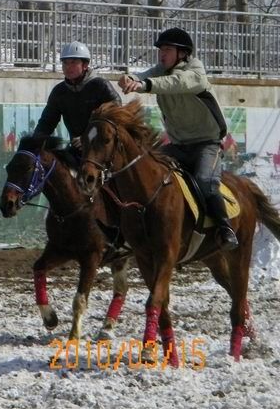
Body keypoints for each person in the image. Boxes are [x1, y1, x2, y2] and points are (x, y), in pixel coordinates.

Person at [118, 27, 238, 251]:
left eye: (167, 50)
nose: (161, 54)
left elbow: (176, 83)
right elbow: (144, 75)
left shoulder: (196, 71)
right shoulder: (160, 70)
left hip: (207, 145)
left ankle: (225, 228)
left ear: (182, 53)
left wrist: (144, 86)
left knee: (204, 181)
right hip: (178, 146)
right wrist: (130, 78)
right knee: (145, 171)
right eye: (160, 50)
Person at [33, 41, 121, 160]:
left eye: (73, 62)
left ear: (85, 65)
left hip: (104, 150)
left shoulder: (100, 86)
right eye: (65, 63)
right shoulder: (59, 92)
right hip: (77, 151)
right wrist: (33, 145)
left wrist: (89, 138)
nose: (68, 67)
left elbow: (116, 116)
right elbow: (46, 123)